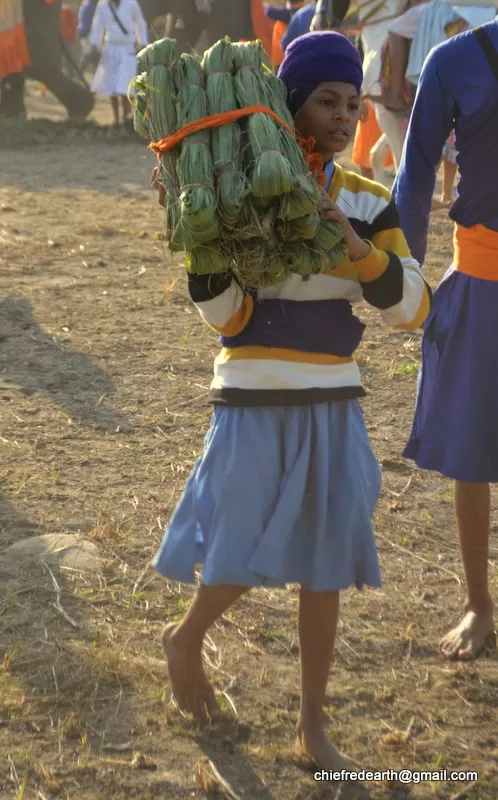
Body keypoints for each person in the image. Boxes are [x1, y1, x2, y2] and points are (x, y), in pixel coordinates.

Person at [151, 30, 431, 769]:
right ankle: (185, 638)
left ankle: (312, 725)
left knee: (326, 562)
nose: (343, 117)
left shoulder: (369, 201)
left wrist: (360, 251)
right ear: (286, 107)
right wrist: (202, 251)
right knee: (236, 546)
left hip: (333, 402)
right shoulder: (238, 190)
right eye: (326, 101)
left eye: (354, 103)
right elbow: (231, 320)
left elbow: (414, 308)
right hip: (248, 397)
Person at [392, 16, 498, 661]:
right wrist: (403, 282)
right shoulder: (454, 60)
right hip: (483, 280)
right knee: (470, 451)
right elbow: (417, 174)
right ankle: (479, 603)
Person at [88, 0, 148, 127]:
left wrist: (142, 42)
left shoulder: (131, 4)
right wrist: (94, 45)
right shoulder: (103, 5)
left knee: (127, 85)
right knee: (112, 86)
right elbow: (97, 25)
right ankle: (116, 119)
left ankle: (125, 117)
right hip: (110, 48)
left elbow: (140, 23)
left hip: (127, 49)